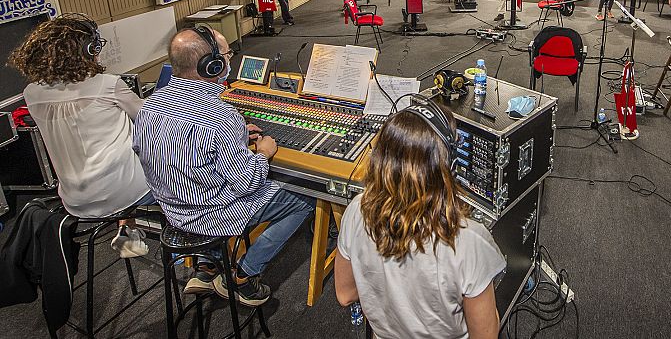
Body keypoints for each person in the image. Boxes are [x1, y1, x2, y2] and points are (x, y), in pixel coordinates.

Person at [132, 26, 314, 306]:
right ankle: (243, 274)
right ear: (212, 65)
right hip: (212, 215)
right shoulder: (221, 116)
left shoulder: (150, 105)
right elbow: (246, 183)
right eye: (227, 55)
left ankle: (209, 265)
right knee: (304, 199)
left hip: (172, 211)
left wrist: (237, 137)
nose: (230, 60)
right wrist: (263, 153)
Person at [335, 100, 505, 339]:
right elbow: (485, 335)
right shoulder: (469, 240)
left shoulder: (356, 210)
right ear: (448, 167)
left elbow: (345, 293)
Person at [8, 14, 153, 258]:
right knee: (169, 157)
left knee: (119, 148)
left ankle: (128, 231)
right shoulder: (108, 84)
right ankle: (194, 245)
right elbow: (149, 121)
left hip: (74, 201)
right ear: (89, 49)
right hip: (125, 192)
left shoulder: (31, 93)